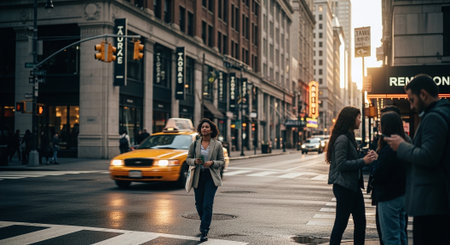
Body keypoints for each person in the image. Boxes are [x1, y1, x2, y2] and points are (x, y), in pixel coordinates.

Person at [384, 74, 450, 245]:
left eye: (412, 100)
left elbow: (428, 156)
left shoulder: (434, 117)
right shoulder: (441, 113)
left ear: (423, 94)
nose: (411, 106)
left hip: (431, 204)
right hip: (436, 202)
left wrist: (402, 146)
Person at [327, 106, 378, 245]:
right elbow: (341, 164)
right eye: (358, 117)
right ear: (351, 119)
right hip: (344, 187)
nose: (360, 120)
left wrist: (365, 157)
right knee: (341, 224)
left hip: (352, 186)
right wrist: (363, 161)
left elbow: (351, 159)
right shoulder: (342, 139)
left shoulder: (349, 137)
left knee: (360, 222)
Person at [371, 111, 408, 245]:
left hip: (388, 197)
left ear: (387, 126)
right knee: (401, 233)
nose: (380, 127)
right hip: (401, 195)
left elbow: (380, 174)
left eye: (381, 123)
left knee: (390, 237)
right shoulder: (403, 144)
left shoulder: (389, 148)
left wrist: (376, 161)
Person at [186, 118, 225, 242]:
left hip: (211, 177)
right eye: (203, 127)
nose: (204, 129)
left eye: (207, 127)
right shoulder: (195, 144)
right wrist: (194, 161)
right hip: (198, 176)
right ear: (200, 130)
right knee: (199, 204)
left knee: (207, 204)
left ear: (211, 130)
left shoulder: (217, 144)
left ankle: (204, 230)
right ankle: (205, 221)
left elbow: (221, 162)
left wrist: (212, 163)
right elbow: (188, 159)